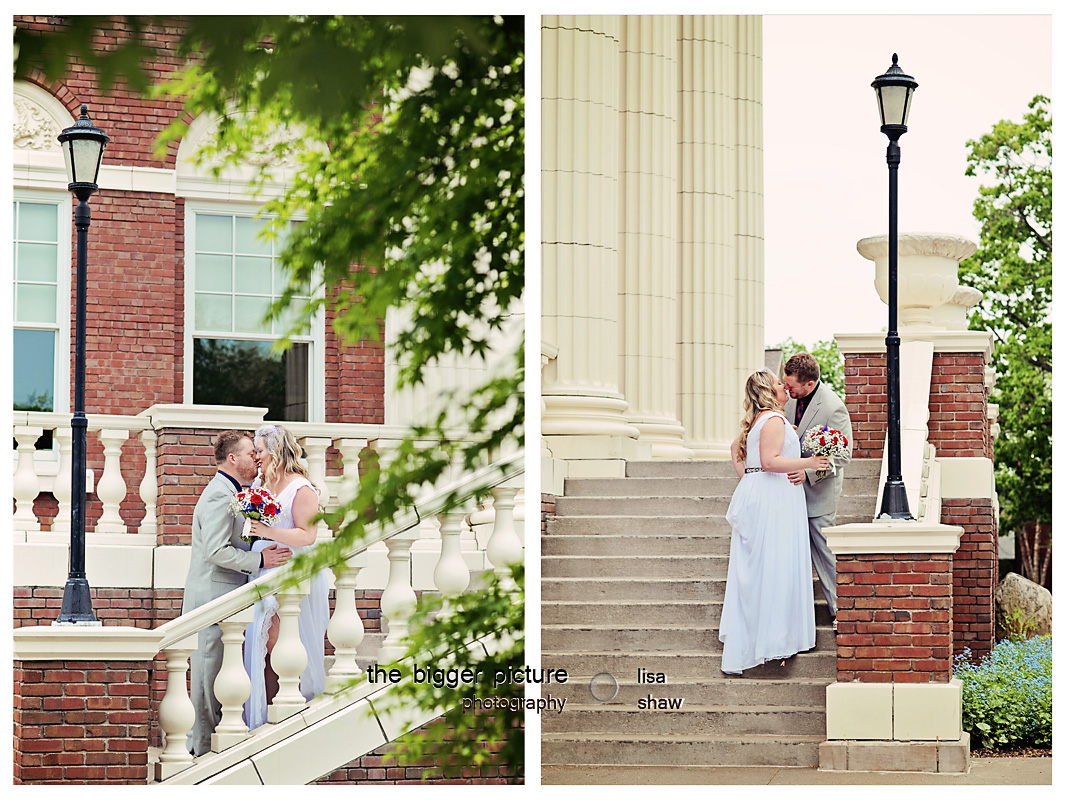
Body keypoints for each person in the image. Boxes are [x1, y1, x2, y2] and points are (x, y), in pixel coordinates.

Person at [182, 430, 291, 756]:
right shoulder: (219, 494)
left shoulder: (237, 492)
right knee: (207, 678)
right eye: (249, 454)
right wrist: (259, 559)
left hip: (229, 598)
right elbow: (216, 550)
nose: (255, 459)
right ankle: (199, 752)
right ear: (233, 459)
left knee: (221, 676)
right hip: (212, 598)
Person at [719, 369, 828, 675]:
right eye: (780, 383)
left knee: (763, 567)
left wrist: (750, 480)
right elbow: (769, 461)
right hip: (775, 499)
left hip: (767, 493)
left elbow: (740, 454)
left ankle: (767, 637)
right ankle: (774, 641)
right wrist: (809, 462)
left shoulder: (759, 422)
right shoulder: (774, 420)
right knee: (776, 565)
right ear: (769, 391)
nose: (784, 386)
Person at [242, 424, 330, 730]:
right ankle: (265, 714)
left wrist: (266, 531)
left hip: (293, 572)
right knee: (261, 642)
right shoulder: (263, 485)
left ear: (277, 451)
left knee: (281, 639)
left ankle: (294, 706)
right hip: (266, 568)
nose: (256, 457)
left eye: (261, 451)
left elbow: (307, 536)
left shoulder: (301, 489)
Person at [782, 353, 854, 625]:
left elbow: (844, 455)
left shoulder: (833, 407)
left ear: (810, 385)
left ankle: (842, 612)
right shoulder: (786, 400)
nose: (787, 391)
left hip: (818, 493)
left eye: (791, 387)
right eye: (785, 384)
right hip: (788, 492)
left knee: (824, 554)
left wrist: (809, 472)